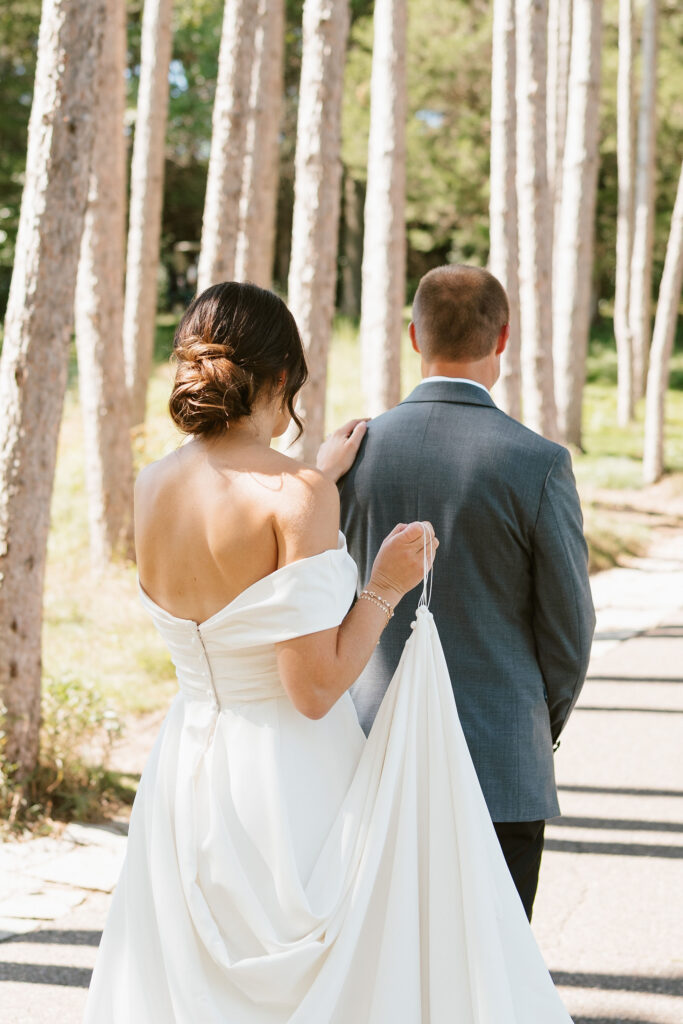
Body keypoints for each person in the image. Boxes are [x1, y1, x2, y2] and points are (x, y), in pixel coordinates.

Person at [84, 281, 573, 1022]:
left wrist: (318, 476)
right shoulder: (299, 495)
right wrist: (384, 584)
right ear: (281, 377)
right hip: (285, 781)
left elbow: (233, 571)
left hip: (185, 767)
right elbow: (313, 689)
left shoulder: (151, 485)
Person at [339, 263, 596, 921]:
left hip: (368, 756)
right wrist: (540, 722)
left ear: (411, 336)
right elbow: (568, 629)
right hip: (501, 759)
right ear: (502, 337)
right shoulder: (536, 462)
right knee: (494, 980)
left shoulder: (351, 458)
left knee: (383, 977)